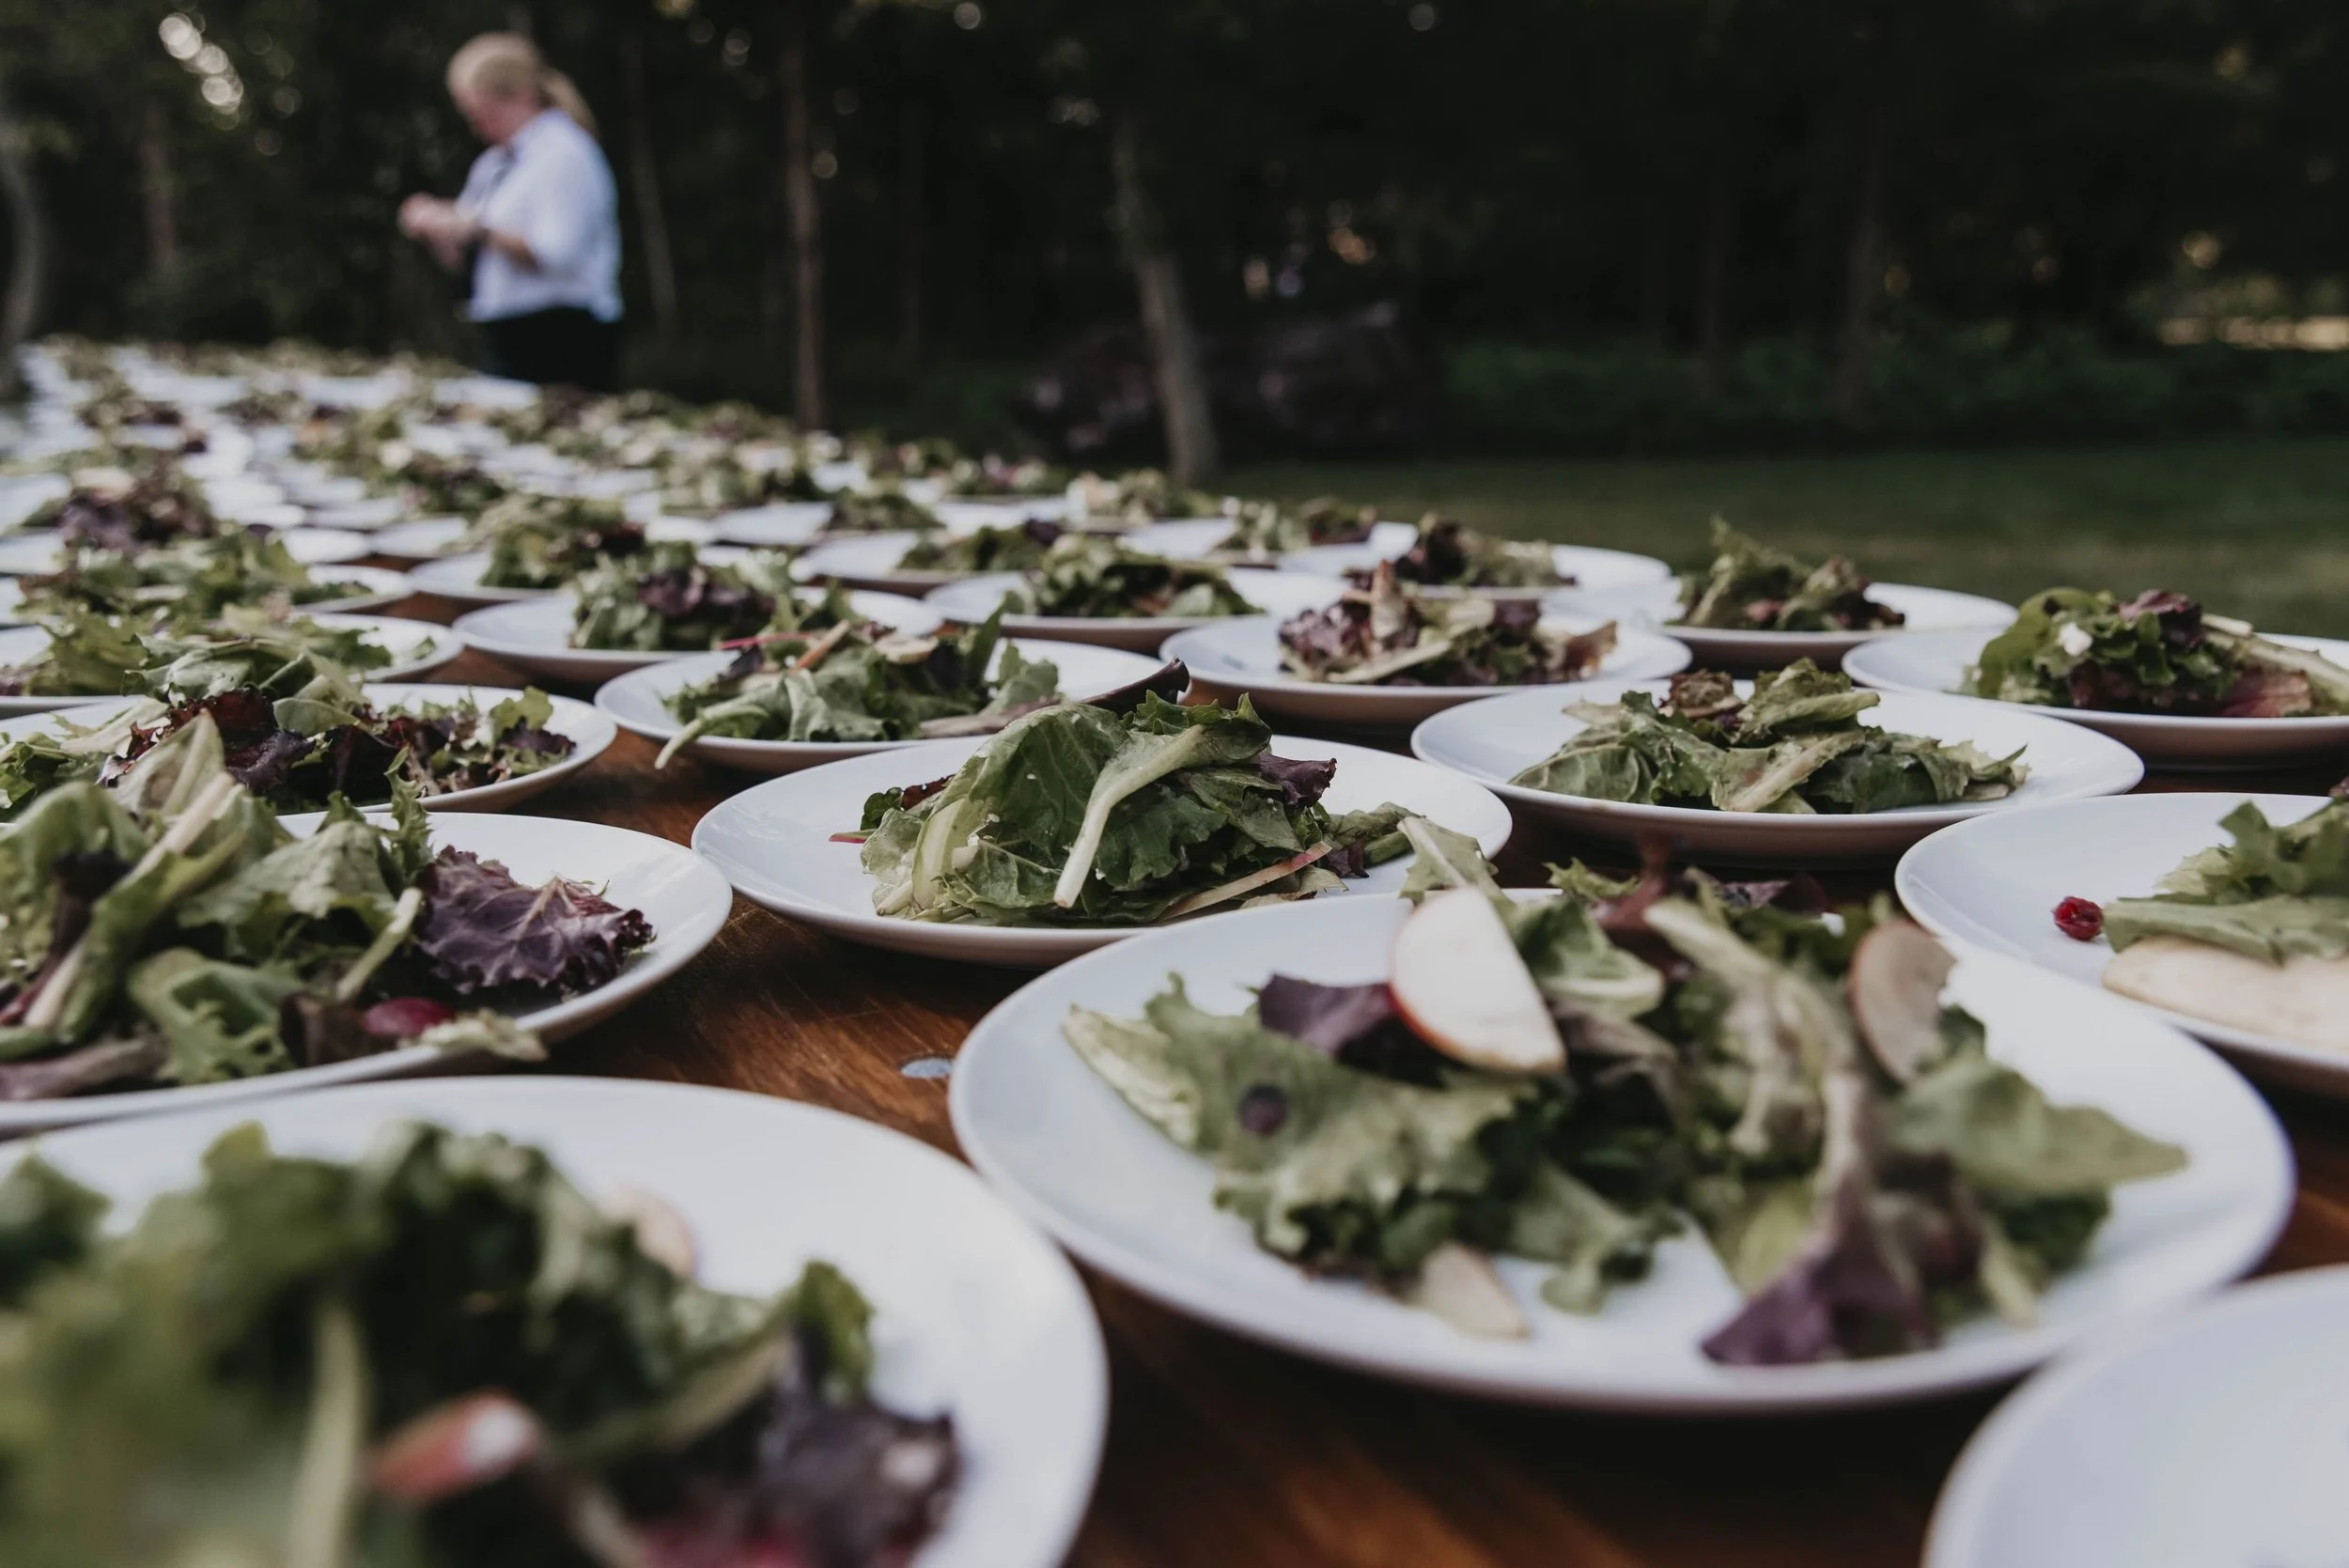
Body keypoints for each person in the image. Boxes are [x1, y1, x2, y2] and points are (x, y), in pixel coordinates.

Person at [398, 34, 622, 391]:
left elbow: (556, 254)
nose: (477, 127)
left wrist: (475, 228)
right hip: (507, 334)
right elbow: (469, 260)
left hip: (562, 338)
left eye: (482, 114)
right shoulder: (494, 163)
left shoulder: (565, 153)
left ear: (520, 96)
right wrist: (438, 231)